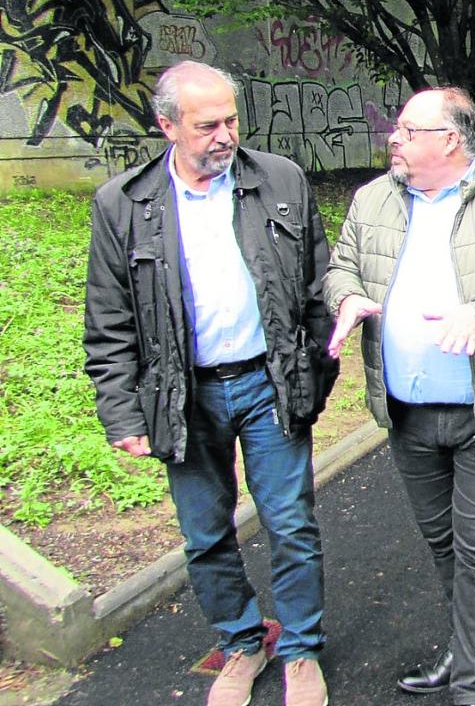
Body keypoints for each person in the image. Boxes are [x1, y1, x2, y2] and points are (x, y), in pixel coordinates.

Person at [83, 60, 338, 706]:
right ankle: (243, 643)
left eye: (231, 120)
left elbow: (319, 286)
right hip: (184, 397)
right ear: (167, 125)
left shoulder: (280, 180)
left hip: (269, 383)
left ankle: (301, 650)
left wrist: (315, 372)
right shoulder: (123, 204)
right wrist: (122, 413)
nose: (225, 135)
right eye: (207, 125)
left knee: (291, 523)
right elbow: (108, 322)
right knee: (204, 533)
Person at [323, 87, 475, 706]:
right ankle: (466, 648)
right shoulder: (372, 199)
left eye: (409, 130)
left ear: (451, 140)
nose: (394, 139)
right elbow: (342, 265)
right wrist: (346, 296)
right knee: (444, 543)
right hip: (405, 411)